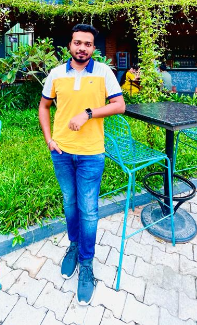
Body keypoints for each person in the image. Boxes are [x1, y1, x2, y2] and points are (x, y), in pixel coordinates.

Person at [38, 24, 125, 305]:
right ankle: (74, 246)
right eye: (77, 42)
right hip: (62, 152)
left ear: (93, 48)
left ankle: (86, 263)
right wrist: (49, 139)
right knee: (69, 203)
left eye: (87, 44)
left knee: (88, 210)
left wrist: (88, 113)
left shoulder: (103, 72)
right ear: (70, 45)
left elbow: (119, 105)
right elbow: (44, 106)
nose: (82, 48)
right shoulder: (56, 74)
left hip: (91, 153)